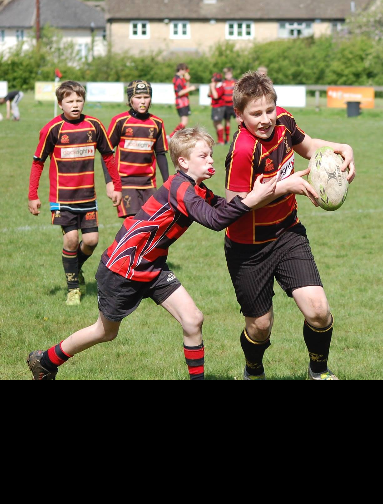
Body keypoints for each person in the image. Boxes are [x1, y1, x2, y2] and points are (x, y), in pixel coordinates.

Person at [26, 127, 277, 381]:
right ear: (183, 161)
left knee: (193, 320)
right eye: (203, 156)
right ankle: (45, 360)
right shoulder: (181, 188)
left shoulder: (197, 188)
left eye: (210, 155)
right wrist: (250, 200)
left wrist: (257, 196)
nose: (211, 160)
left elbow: (225, 206)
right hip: (123, 268)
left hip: (152, 266)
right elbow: (215, 220)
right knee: (105, 331)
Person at [225, 72, 356, 380]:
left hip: (287, 232)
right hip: (249, 246)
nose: (265, 119)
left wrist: (342, 147)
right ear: (239, 115)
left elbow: (310, 147)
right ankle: (253, 371)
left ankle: (318, 371)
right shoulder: (243, 149)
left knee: (318, 310)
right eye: (255, 114)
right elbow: (233, 208)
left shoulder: (283, 122)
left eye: (269, 110)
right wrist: (285, 186)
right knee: (260, 327)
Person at [28, 81, 123, 306]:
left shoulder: (94, 125)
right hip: (62, 198)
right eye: (69, 101)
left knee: (91, 241)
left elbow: (108, 156)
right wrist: (33, 195)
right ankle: (73, 288)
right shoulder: (52, 129)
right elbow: (37, 162)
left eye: (79, 100)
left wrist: (116, 185)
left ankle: (73, 268)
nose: (75, 105)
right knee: (71, 240)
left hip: (87, 197)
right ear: (60, 104)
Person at [102, 81, 170, 219]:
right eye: (138, 97)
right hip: (124, 182)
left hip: (148, 183)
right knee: (132, 223)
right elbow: (106, 153)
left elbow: (161, 154)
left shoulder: (157, 123)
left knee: (149, 224)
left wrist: (168, 183)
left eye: (146, 97)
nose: (143, 101)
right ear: (130, 99)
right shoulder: (120, 121)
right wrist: (110, 182)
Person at [170, 64, 197, 138]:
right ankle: (172, 136)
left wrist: (188, 80)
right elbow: (180, 93)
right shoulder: (177, 79)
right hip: (181, 102)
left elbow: (185, 89)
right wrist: (190, 89)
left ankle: (179, 137)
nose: (186, 72)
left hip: (184, 102)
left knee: (184, 122)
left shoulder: (181, 78)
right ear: (181, 70)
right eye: (185, 70)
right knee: (184, 122)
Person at [209, 73, 225, 145]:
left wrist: (212, 87)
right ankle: (219, 139)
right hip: (215, 106)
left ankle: (221, 140)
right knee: (215, 123)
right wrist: (211, 88)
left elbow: (215, 96)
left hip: (219, 107)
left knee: (218, 123)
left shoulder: (221, 86)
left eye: (213, 78)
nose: (212, 80)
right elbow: (209, 95)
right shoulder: (215, 86)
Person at [221, 67, 236, 145]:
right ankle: (227, 139)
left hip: (234, 105)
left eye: (229, 74)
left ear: (231, 74)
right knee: (227, 122)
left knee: (239, 121)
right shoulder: (223, 83)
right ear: (225, 75)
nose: (228, 76)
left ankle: (240, 137)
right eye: (226, 74)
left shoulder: (235, 82)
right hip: (225, 105)